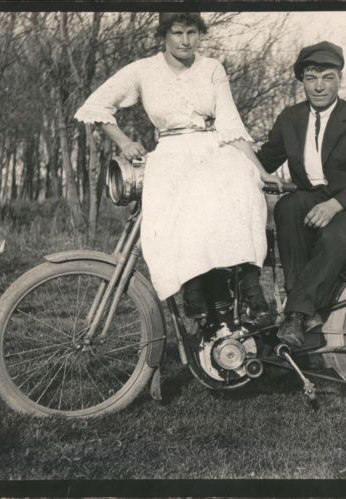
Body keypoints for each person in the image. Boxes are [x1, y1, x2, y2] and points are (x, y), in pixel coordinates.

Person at [74, 13, 283, 326]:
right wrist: (123, 141)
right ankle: (192, 283)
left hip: (215, 147)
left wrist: (260, 170)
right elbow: (96, 105)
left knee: (242, 181)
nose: (186, 40)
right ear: (164, 35)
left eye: (192, 33)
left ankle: (248, 283)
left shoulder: (212, 68)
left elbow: (230, 123)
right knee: (177, 199)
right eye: (178, 33)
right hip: (172, 150)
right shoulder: (144, 70)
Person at [257, 41, 346, 348]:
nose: (319, 86)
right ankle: (307, 314)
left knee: (335, 235)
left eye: (327, 77)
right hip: (312, 199)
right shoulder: (290, 119)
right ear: (301, 80)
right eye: (311, 77)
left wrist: (335, 205)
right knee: (288, 208)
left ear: (340, 78)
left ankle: (295, 314)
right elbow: (264, 161)